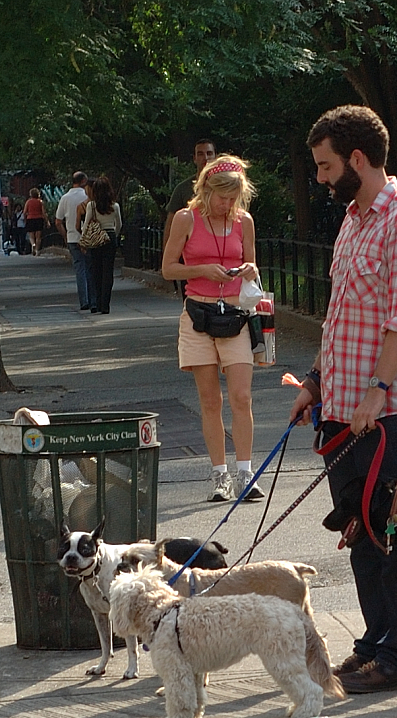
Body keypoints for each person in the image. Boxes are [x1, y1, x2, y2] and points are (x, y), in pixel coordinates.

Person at [289, 105, 397, 694]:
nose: (321, 178)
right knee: (360, 533)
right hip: (343, 411)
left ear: (357, 158)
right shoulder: (353, 221)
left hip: (389, 412)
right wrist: (314, 384)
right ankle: (377, 642)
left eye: (326, 166)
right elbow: (340, 320)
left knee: (393, 540)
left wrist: (377, 391)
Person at [161, 154, 265, 504]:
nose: (228, 205)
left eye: (234, 198)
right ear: (206, 191)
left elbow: (251, 261)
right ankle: (219, 474)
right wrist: (203, 269)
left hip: (235, 315)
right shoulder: (186, 218)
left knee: (242, 397)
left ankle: (245, 473)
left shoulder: (244, 221)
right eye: (222, 197)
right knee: (210, 400)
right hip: (198, 317)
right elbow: (168, 269)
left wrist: (248, 269)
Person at [164, 139, 217, 299]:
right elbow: (170, 223)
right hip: (190, 257)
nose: (205, 158)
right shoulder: (183, 189)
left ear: (216, 156)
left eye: (209, 153)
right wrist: (167, 256)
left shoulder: (225, 187)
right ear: (194, 158)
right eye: (200, 154)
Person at [81, 176, 122, 315]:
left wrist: (84, 240)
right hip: (110, 236)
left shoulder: (91, 206)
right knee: (107, 272)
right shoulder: (114, 206)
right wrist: (113, 235)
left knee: (96, 271)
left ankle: (97, 302)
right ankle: (106, 305)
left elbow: (86, 224)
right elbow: (119, 224)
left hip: (96, 237)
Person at [55, 172, 95, 311]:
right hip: (88, 237)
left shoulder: (65, 198)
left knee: (80, 269)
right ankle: (93, 300)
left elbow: (58, 221)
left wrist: (65, 236)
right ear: (84, 180)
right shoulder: (88, 197)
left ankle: (83, 300)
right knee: (90, 268)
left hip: (72, 237)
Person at [23, 187, 50, 255]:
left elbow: (24, 212)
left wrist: (25, 219)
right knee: (38, 237)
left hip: (30, 218)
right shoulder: (40, 202)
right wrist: (47, 221)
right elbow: (44, 212)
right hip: (39, 219)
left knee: (31, 236)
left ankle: (33, 244)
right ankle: (37, 250)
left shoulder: (28, 202)